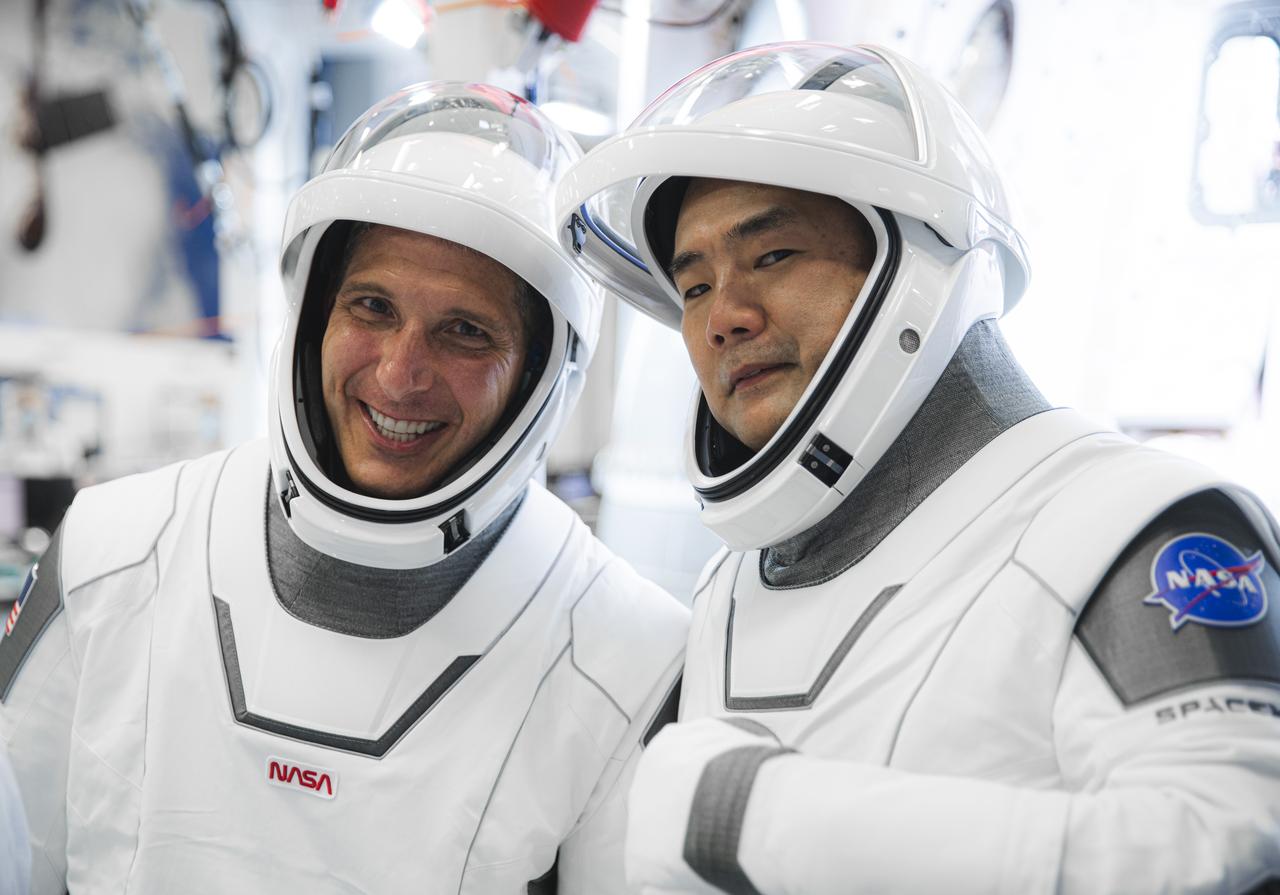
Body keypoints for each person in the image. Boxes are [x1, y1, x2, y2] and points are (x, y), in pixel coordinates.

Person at [558, 43, 1280, 893]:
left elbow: (1230, 843)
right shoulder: (735, 578)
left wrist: (741, 810)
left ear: (917, 267)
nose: (725, 318)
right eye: (694, 287)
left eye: (773, 256)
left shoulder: (1141, 523)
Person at [0, 82, 688, 894]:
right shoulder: (112, 552)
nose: (401, 374)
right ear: (314, 315)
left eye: (465, 331)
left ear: (542, 375)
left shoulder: (629, 658)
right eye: (372, 306)